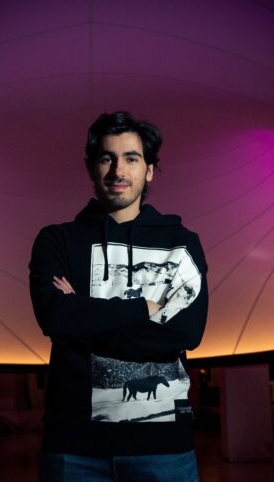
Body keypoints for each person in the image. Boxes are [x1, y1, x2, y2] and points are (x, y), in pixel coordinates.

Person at [29, 111, 209, 481]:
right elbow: (56, 318)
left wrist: (85, 320)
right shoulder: (57, 240)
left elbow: (185, 332)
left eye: (131, 158)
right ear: (91, 168)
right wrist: (143, 308)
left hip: (164, 449)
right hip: (74, 448)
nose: (117, 171)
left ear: (150, 170)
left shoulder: (181, 244)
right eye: (106, 158)